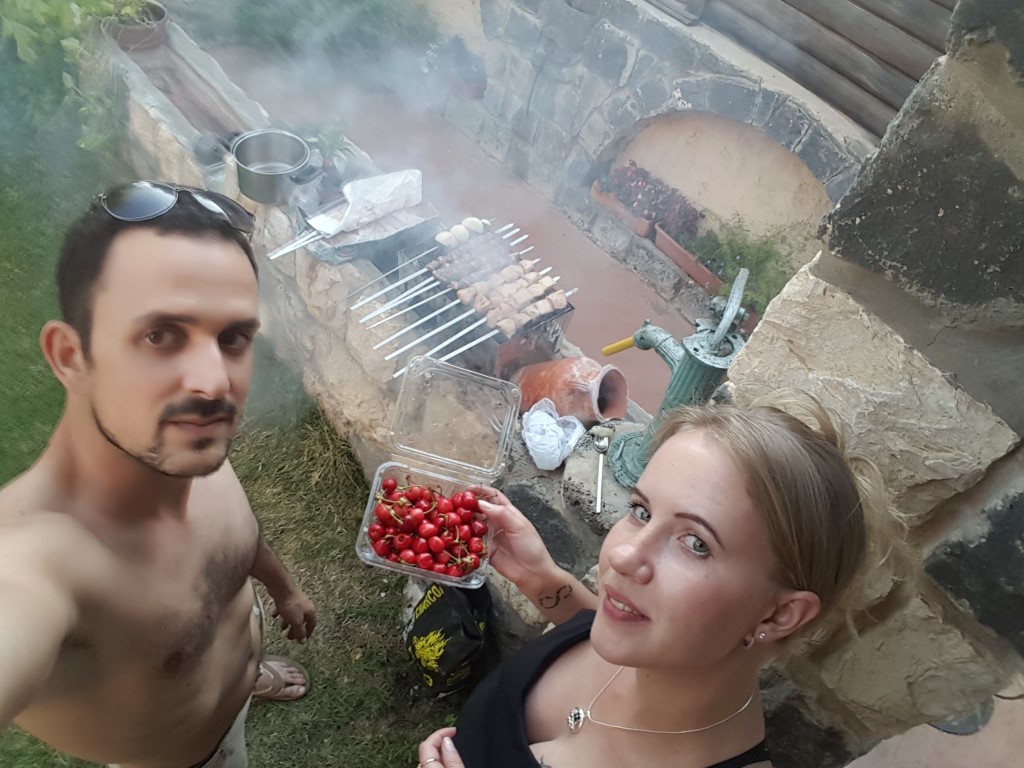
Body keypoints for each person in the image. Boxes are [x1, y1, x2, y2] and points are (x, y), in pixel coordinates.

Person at [0, 181, 317, 768]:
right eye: (160, 335)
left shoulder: (177, 447)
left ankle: (251, 678)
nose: (214, 383)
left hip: (233, 683)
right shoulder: (33, 565)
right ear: (71, 356)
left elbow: (237, 543)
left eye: (232, 338)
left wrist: (284, 589)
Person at [419, 395, 899, 768]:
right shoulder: (647, 640)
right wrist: (540, 577)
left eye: (696, 543)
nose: (624, 555)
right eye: (642, 511)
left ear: (779, 614)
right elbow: (588, 627)